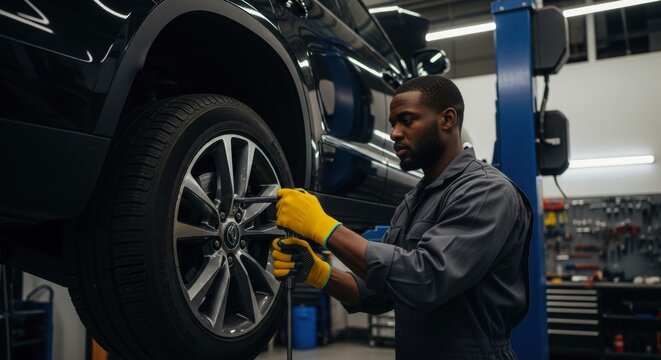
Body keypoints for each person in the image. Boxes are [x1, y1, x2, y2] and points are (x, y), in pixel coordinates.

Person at [271, 75, 533, 359]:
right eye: (393, 123)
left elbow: (425, 280)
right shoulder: (412, 202)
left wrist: (326, 229)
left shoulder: (486, 192)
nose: (395, 133)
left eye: (407, 120)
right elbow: (378, 294)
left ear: (447, 120)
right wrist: (318, 272)